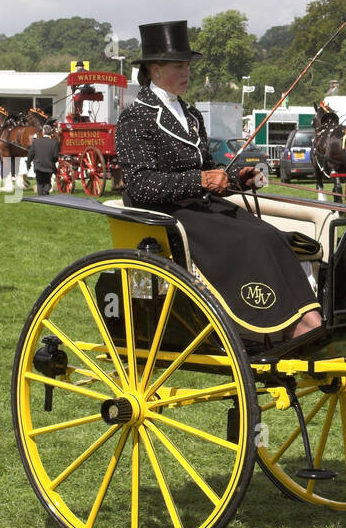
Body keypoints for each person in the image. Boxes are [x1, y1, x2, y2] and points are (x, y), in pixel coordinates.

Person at [115, 20, 322, 342]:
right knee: (254, 240)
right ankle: (273, 324)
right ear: (155, 69)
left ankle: (306, 315)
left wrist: (237, 179)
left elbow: (209, 169)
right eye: (179, 66)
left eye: (187, 66)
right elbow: (140, 183)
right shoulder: (136, 115)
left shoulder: (192, 114)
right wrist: (199, 180)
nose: (187, 73)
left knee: (271, 235)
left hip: (201, 205)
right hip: (166, 213)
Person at [26, 123, 60, 196]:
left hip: (38, 166)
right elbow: (56, 157)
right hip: (49, 166)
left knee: (39, 183)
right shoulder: (54, 143)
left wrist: (28, 164)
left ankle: (41, 196)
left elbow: (30, 155)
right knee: (47, 182)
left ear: (43, 132)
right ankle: (45, 193)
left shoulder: (36, 142)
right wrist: (52, 162)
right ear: (50, 132)